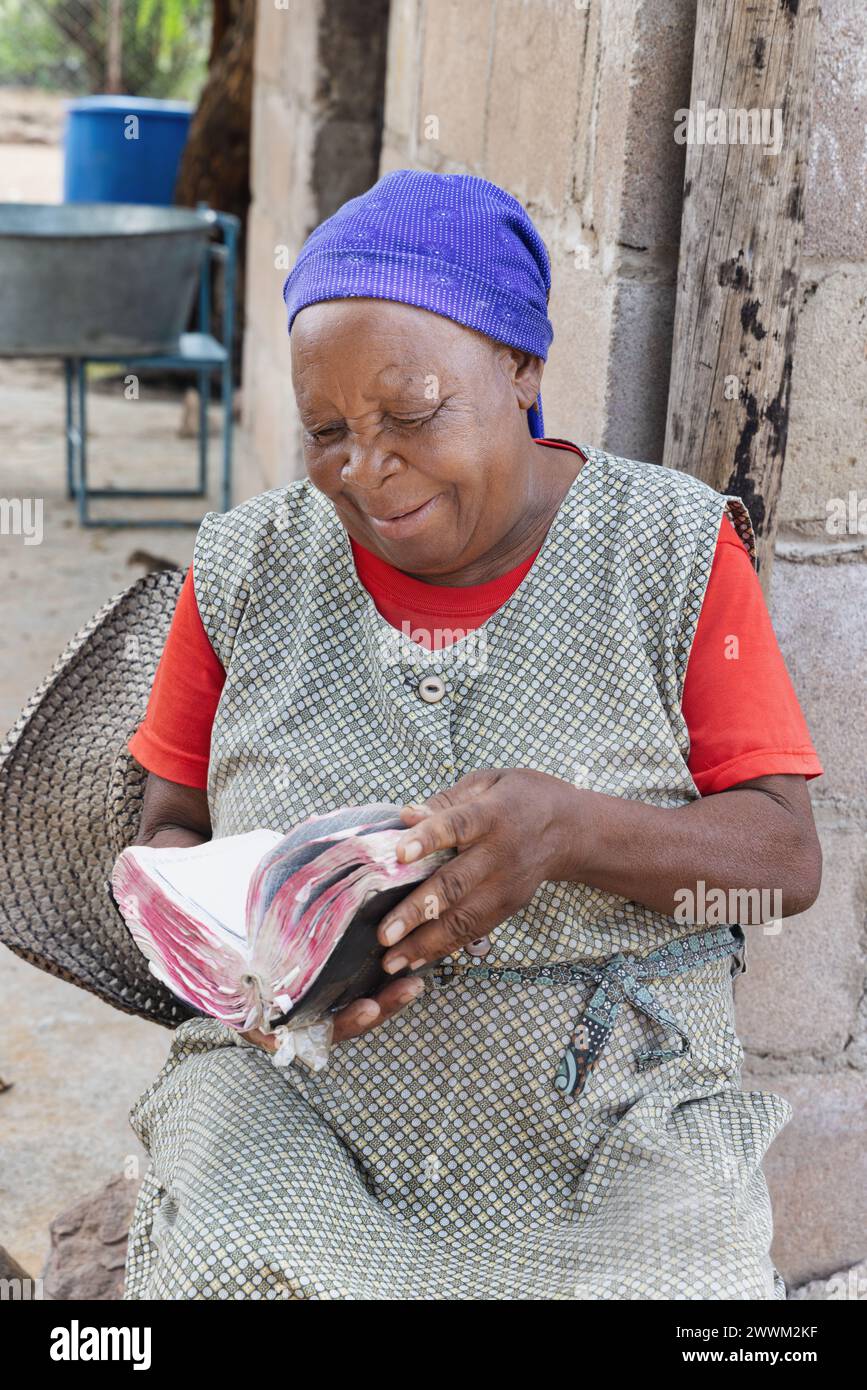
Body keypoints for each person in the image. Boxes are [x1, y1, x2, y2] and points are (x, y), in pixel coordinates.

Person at [123, 168, 823, 1300]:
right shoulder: (245, 568)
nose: (366, 466)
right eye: (328, 431)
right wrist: (243, 964)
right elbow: (166, 826)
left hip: (611, 1118)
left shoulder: (674, 553)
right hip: (307, 1104)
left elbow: (784, 861)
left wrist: (573, 833)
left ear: (522, 366)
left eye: (411, 413)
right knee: (228, 1264)